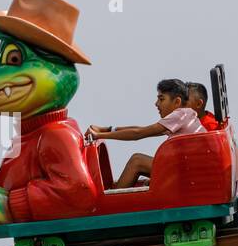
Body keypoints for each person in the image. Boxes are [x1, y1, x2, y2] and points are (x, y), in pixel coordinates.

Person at [84, 79, 214, 188]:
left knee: (137, 161)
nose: (156, 104)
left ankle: (110, 203)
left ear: (177, 102)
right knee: (140, 163)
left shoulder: (180, 115)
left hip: (188, 173)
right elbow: (142, 129)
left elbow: (138, 133)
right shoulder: (186, 116)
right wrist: (106, 129)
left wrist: (98, 135)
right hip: (188, 170)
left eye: (161, 99)